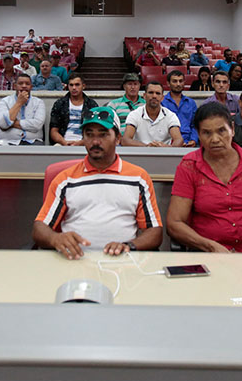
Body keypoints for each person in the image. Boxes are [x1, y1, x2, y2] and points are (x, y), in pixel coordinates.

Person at [33, 107, 163, 258]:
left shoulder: (138, 178)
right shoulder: (65, 179)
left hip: (121, 264)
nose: (95, 141)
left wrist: (128, 247)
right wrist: (55, 239)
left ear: (118, 138)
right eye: (89, 135)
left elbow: (154, 232)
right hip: (74, 261)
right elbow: (39, 228)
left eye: (103, 135)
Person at [167, 102, 242, 253]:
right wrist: (209, 246)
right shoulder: (189, 166)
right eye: (207, 133)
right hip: (210, 254)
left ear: (233, 130)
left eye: (221, 131)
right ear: (198, 134)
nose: (215, 139)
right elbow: (175, 223)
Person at [123, 81, 184, 147]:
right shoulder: (134, 115)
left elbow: (179, 140)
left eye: (157, 93)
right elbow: (125, 140)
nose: (154, 96)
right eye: (151, 92)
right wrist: (147, 146)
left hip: (164, 154)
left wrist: (166, 147)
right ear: (144, 96)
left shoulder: (171, 116)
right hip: (140, 153)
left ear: (162, 98)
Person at [0, 73, 46, 144]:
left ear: (31, 87)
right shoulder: (4, 101)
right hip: (7, 141)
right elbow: (3, 124)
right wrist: (19, 103)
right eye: (20, 83)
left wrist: (12, 123)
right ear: (15, 86)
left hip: (33, 141)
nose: (24, 86)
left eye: (27, 84)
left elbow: (37, 125)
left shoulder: (39, 102)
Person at [50, 73, 99, 146]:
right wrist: (64, 142)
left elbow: (96, 131)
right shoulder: (59, 104)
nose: (74, 88)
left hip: (86, 143)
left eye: (77, 85)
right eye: (71, 85)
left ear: (83, 86)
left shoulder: (91, 105)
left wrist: (80, 143)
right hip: (62, 142)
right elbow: (53, 131)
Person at [162, 70, 198, 147]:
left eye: (180, 81)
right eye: (174, 81)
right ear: (168, 83)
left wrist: (193, 140)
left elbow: (195, 125)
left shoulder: (191, 103)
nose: (178, 84)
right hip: (167, 143)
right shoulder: (161, 103)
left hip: (188, 142)